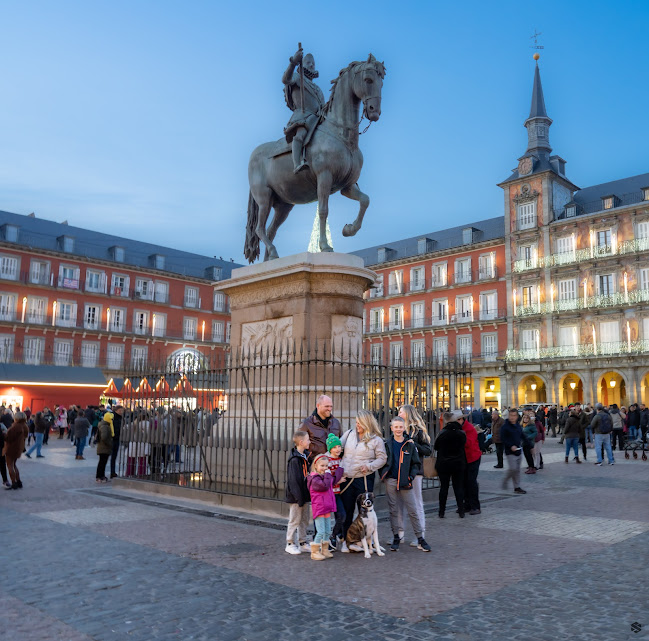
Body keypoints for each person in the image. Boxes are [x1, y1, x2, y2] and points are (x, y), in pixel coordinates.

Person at [380, 417, 429, 552]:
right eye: (395, 427)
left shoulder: (409, 444)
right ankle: (396, 537)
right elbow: (382, 459)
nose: (398, 429)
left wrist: (411, 476)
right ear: (391, 428)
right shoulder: (387, 443)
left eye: (400, 427)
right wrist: (384, 474)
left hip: (405, 481)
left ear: (404, 428)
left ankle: (420, 538)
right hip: (391, 480)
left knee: (412, 510)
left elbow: (415, 463)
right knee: (393, 510)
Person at [339, 409, 387, 549]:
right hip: (347, 478)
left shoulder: (376, 440)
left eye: (360, 423)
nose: (357, 425)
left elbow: (382, 458)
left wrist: (370, 466)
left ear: (367, 423)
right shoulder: (348, 434)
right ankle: (346, 541)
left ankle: (367, 541)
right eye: (356, 422)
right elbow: (336, 448)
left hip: (364, 479)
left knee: (364, 513)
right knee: (346, 511)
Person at [281, 46, 325, 174]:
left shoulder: (318, 89)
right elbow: (285, 79)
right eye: (308, 63)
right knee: (300, 134)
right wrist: (293, 62)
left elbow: (323, 106)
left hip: (318, 119)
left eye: (313, 63)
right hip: (303, 116)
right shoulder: (296, 76)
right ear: (303, 64)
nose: (311, 65)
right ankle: (297, 163)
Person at [398, 404, 432, 545]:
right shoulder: (398, 429)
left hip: (415, 471)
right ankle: (399, 534)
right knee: (400, 503)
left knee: (417, 502)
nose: (399, 414)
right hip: (400, 470)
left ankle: (421, 534)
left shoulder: (418, 431)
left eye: (401, 412)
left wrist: (414, 445)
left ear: (408, 413)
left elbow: (428, 450)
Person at [307, 453, 344, 561]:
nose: (325, 468)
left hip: (326, 508)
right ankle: (315, 552)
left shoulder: (324, 477)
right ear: (316, 466)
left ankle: (324, 550)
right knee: (321, 531)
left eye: (326, 466)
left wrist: (339, 468)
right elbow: (325, 485)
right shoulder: (315, 478)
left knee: (328, 530)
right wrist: (328, 475)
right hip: (319, 508)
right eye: (322, 466)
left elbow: (333, 480)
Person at [434, 410, 467, 517]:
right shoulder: (461, 433)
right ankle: (461, 511)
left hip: (443, 464)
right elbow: (463, 446)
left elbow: (436, 447)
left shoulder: (442, 433)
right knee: (458, 488)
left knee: (444, 488)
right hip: (458, 464)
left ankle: (441, 512)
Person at [285, 430, 312, 555]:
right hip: (297, 497)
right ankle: (290, 542)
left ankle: (302, 542)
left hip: (305, 494)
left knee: (304, 519)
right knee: (295, 519)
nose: (310, 442)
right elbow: (293, 481)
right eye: (308, 440)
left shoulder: (306, 456)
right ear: (301, 442)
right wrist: (298, 497)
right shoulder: (295, 460)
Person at [300, 395, 341, 460]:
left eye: (331, 406)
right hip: (314, 465)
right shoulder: (307, 423)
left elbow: (341, 442)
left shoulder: (336, 423)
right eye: (327, 406)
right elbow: (299, 446)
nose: (329, 409)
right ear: (318, 406)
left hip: (333, 465)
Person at [325, 433, 346, 552]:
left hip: (340, 493)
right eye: (334, 447)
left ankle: (335, 535)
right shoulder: (327, 460)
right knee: (327, 519)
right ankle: (330, 538)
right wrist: (338, 479)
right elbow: (327, 479)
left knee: (342, 516)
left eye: (339, 447)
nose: (337, 449)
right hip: (330, 494)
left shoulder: (341, 459)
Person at [458, 412, 482, 515]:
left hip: (473, 458)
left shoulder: (469, 428)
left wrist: (459, 436)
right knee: (464, 482)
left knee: (471, 482)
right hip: (464, 459)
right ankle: (466, 505)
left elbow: (469, 443)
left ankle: (475, 506)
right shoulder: (459, 429)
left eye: (458, 420)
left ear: (462, 419)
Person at [501, 409, 526, 494]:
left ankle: (517, 487)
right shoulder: (505, 427)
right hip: (510, 451)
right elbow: (503, 439)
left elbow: (522, 435)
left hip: (518, 450)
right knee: (513, 468)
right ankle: (506, 479)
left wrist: (530, 445)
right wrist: (511, 446)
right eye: (511, 415)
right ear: (508, 416)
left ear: (517, 416)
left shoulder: (518, 426)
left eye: (514, 415)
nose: (512, 417)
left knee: (517, 470)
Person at [4, 411, 28, 490]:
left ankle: (13, 483)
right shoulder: (24, 426)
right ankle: (18, 481)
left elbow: (8, 438)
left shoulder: (15, 427)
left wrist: (4, 434)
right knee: (14, 465)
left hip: (11, 448)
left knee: (10, 465)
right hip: (18, 448)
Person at [95, 411, 114, 483]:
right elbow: (104, 437)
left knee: (102, 462)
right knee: (102, 462)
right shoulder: (105, 426)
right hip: (104, 447)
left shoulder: (104, 424)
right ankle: (100, 476)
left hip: (103, 447)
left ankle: (100, 476)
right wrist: (109, 443)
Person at [110, 405, 124, 478]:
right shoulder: (113, 417)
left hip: (117, 438)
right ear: (116, 410)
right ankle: (112, 472)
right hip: (113, 438)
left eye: (122, 410)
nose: (121, 412)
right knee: (112, 456)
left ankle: (113, 472)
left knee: (114, 456)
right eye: (120, 410)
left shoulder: (121, 418)